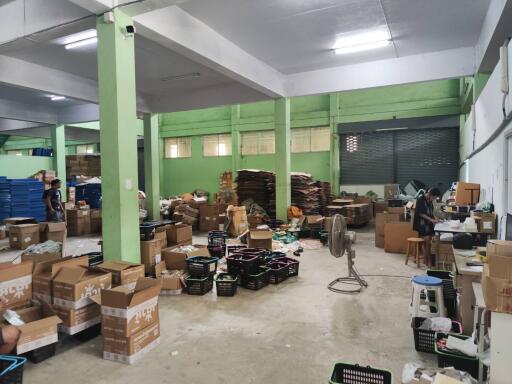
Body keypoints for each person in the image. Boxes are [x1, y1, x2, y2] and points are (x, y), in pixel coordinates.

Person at [413, 187, 441, 267]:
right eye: (434, 197)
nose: (434, 199)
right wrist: (432, 220)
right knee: (428, 240)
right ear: (430, 194)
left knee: (431, 237)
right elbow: (421, 213)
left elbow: (431, 213)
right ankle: (427, 261)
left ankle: (426, 259)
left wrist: (436, 219)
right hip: (421, 224)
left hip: (428, 223)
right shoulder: (421, 200)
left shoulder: (430, 201)